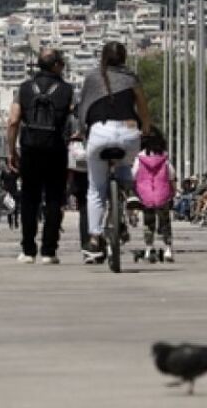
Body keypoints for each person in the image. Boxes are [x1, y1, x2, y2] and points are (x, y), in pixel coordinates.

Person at [78, 42, 152, 264]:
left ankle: (94, 235)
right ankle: (129, 191)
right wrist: (146, 129)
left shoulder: (92, 77)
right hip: (129, 131)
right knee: (126, 165)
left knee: (96, 189)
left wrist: (83, 131)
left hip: (99, 133)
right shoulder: (132, 78)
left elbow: (83, 109)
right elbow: (143, 107)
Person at [6, 48, 75, 264]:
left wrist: (11, 149)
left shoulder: (25, 88)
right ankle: (49, 250)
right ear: (56, 66)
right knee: (55, 199)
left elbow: (13, 120)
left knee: (29, 199)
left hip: (30, 148)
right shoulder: (67, 89)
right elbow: (75, 119)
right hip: (56, 149)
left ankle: (28, 250)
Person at [133, 126, 175, 263]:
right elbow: (171, 174)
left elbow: (133, 174)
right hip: (163, 194)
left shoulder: (140, 158)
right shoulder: (164, 157)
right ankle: (168, 249)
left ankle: (148, 249)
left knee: (148, 223)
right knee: (165, 222)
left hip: (146, 195)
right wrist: (173, 189)